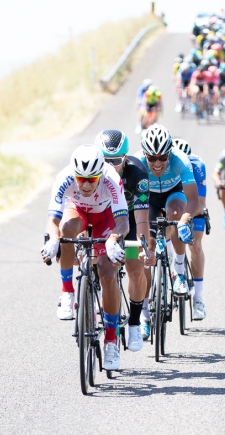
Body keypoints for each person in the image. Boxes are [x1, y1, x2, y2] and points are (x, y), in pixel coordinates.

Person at [41, 144, 129, 371]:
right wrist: (53, 239)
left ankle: (111, 341)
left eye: (92, 179)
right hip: (78, 211)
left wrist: (112, 240)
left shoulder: (111, 178)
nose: (87, 184)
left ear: (101, 173)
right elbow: (53, 219)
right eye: (81, 179)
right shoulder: (63, 178)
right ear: (74, 175)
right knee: (66, 228)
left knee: (107, 270)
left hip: (105, 217)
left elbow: (123, 222)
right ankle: (67, 292)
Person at [135, 124, 200, 338]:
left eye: (163, 157)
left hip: (175, 194)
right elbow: (133, 205)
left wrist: (184, 221)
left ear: (169, 153)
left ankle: (179, 272)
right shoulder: (137, 165)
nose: (157, 163)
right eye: (151, 158)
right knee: (147, 253)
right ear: (144, 154)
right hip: (149, 200)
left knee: (175, 216)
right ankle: (144, 315)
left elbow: (193, 200)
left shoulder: (181, 160)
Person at [94, 129, 156, 352]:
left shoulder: (138, 173)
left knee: (136, 270)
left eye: (116, 161)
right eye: (106, 161)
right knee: (95, 263)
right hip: (101, 218)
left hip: (127, 220)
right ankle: (91, 297)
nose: (111, 167)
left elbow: (141, 218)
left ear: (126, 158)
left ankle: (134, 323)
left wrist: (144, 245)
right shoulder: (92, 171)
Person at [172, 138, 208, 320]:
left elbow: (200, 203)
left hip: (194, 208)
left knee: (196, 246)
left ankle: (198, 299)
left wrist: (187, 218)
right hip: (174, 204)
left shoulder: (197, 165)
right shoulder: (167, 165)